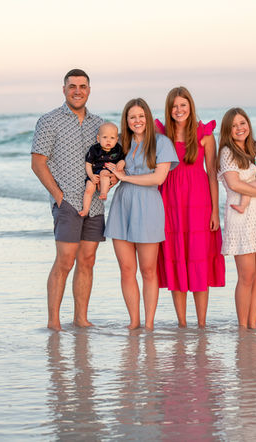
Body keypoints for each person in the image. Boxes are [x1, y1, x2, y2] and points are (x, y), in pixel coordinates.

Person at [31, 68, 105, 331]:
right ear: (64, 90)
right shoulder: (49, 121)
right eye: (72, 86)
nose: (77, 91)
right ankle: (53, 322)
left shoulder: (100, 124)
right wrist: (59, 197)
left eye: (82, 86)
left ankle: (80, 318)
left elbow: (109, 160)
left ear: (89, 90)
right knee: (65, 260)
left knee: (88, 260)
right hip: (67, 202)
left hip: (95, 203)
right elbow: (38, 163)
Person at [104, 98, 179, 330]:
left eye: (141, 116)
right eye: (132, 117)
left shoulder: (161, 142)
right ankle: (134, 322)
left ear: (147, 117)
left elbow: (159, 178)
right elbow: (113, 176)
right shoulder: (121, 145)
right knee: (127, 270)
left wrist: (125, 176)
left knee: (148, 270)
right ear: (126, 120)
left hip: (148, 206)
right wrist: (108, 177)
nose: (137, 120)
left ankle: (148, 324)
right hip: (122, 205)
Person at [156, 86, 225, 328]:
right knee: (175, 258)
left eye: (183, 105)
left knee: (198, 260)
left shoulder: (205, 135)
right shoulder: (161, 134)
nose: (179, 110)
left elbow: (212, 174)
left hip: (199, 203)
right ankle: (182, 324)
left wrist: (216, 211)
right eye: (174, 106)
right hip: (169, 202)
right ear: (169, 109)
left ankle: (202, 324)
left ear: (190, 106)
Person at [216, 108, 256, 329]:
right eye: (234, 125)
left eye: (242, 123)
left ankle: (253, 324)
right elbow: (234, 184)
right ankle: (242, 326)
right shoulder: (226, 152)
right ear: (228, 130)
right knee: (247, 275)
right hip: (241, 216)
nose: (239, 128)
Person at [79, 122, 125, 217]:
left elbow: (123, 159)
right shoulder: (94, 149)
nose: (108, 140)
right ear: (98, 138)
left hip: (106, 171)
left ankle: (103, 192)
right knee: (88, 189)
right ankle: (85, 209)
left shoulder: (118, 149)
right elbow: (88, 164)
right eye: (105, 137)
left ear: (117, 140)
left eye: (112, 138)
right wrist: (91, 176)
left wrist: (122, 163)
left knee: (104, 173)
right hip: (94, 173)